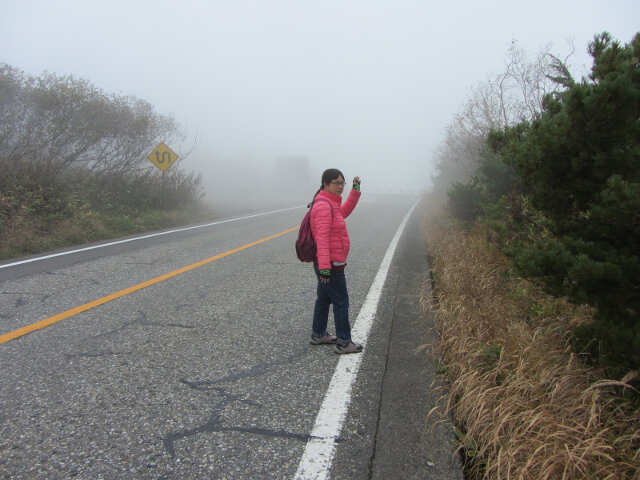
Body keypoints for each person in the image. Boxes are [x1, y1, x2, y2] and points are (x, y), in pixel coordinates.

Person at [308, 168, 363, 354]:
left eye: (342, 183)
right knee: (340, 300)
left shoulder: (330, 203)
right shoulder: (324, 206)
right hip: (330, 263)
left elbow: (344, 211)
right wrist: (325, 268)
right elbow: (321, 238)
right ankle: (344, 342)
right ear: (325, 184)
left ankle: (318, 334)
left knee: (324, 298)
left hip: (328, 262)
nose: (340, 186)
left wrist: (355, 190)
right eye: (336, 183)